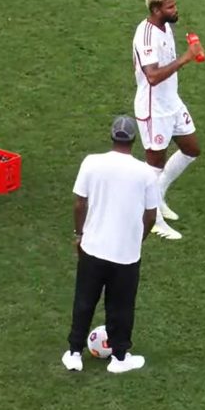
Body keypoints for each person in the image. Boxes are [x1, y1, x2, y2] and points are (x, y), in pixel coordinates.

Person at [62, 116, 157, 374]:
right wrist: (138, 238)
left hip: (93, 247)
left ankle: (74, 353)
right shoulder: (146, 173)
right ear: (134, 140)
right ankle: (119, 357)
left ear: (112, 136)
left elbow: (79, 203)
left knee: (84, 300)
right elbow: (151, 216)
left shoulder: (92, 163)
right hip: (126, 254)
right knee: (122, 305)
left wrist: (79, 233)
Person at [131, 0, 203, 240]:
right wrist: (186, 58)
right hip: (154, 109)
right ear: (155, 10)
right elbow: (152, 77)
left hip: (172, 103)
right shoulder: (146, 36)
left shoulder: (165, 27)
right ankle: (154, 220)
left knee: (192, 149)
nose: (175, 10)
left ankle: (158, 196)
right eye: (170, 7)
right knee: (154, 165)